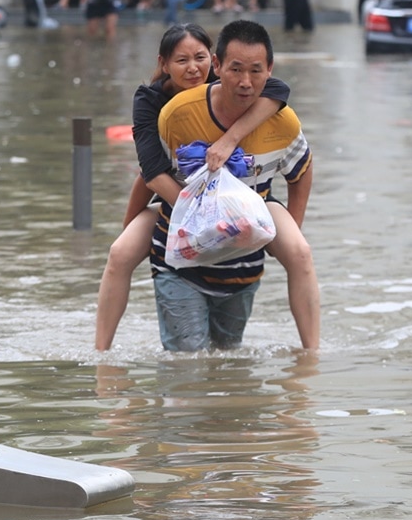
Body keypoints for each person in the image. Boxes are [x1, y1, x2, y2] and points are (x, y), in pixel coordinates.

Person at [94, 23, 319, 352]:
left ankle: (311, 355)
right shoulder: (159, 106)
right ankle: (101, 353)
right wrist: (139, 221)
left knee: (299, 252)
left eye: (198, 57)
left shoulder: (243, 89)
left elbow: (279, 92)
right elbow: (150, 173)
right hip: (177, 199)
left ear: (211, 62)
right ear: (164, 64)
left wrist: (230, 140)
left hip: (248, 203)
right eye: (181, 61)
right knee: (120, 252)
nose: (192, 68)